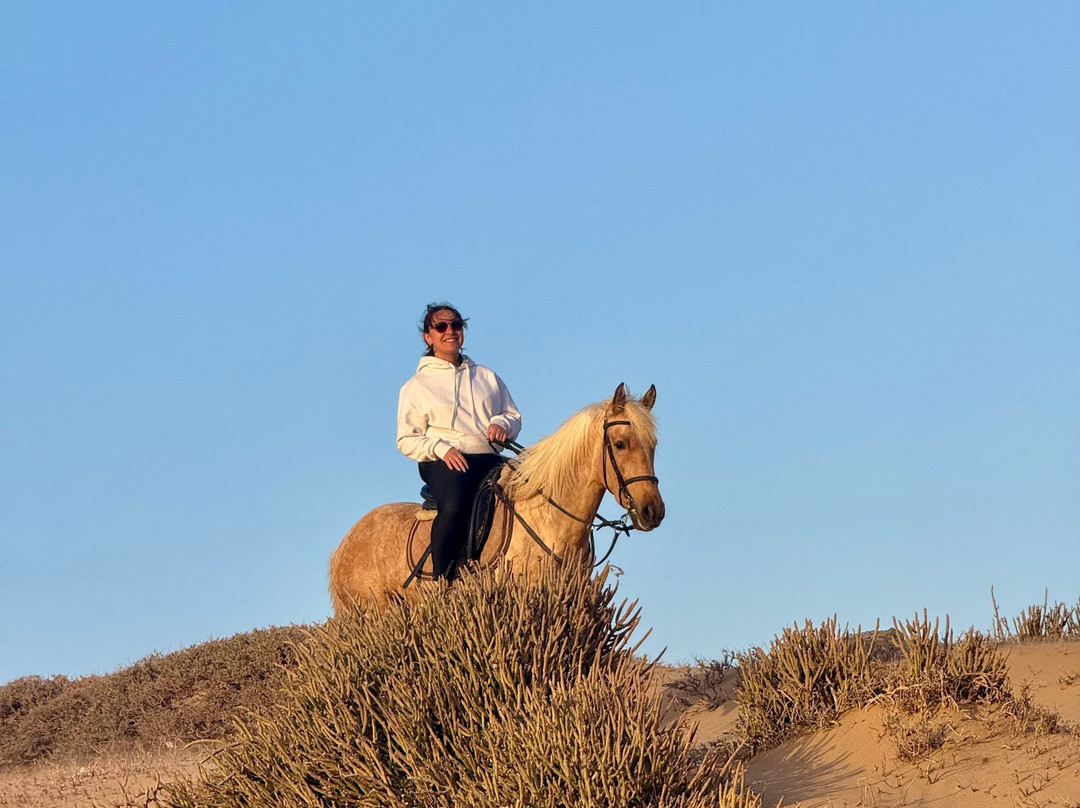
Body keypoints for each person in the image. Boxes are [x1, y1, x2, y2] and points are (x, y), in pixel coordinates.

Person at [396, 303, 522, 580]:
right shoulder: (416, 386)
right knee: (454, 504)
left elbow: (511, 414)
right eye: (441, 327)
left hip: (488, 456)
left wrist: (501, 424)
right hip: (444, 461)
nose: (450, 331)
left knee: (534, 486)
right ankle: (444, 581)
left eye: (456, 325)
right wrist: (441, 448)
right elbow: (406, 439)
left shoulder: (487, 377)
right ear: (428, 337)